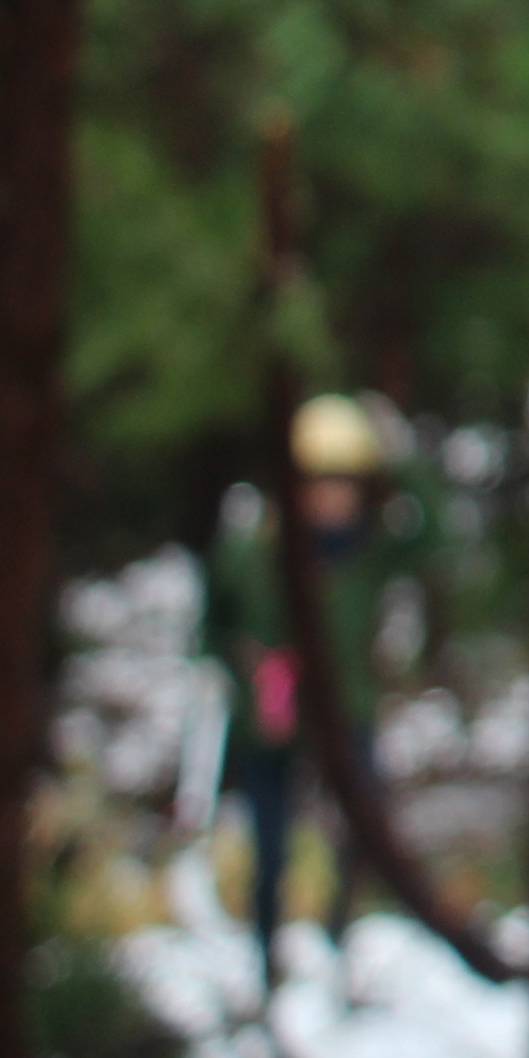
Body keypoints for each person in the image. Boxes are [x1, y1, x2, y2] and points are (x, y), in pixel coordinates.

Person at [206, 390, 416, 986]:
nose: (330, 497)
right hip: (268, 722)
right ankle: (266, 958)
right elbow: (215, 620)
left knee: (364, 826)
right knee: (270, 846)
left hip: (344, 714)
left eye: (344, 482)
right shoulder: (252, 549)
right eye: (318, 481)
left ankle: (336, 936)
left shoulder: (372, 551)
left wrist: (399, 457)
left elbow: (438, 536)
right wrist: (240, 667)